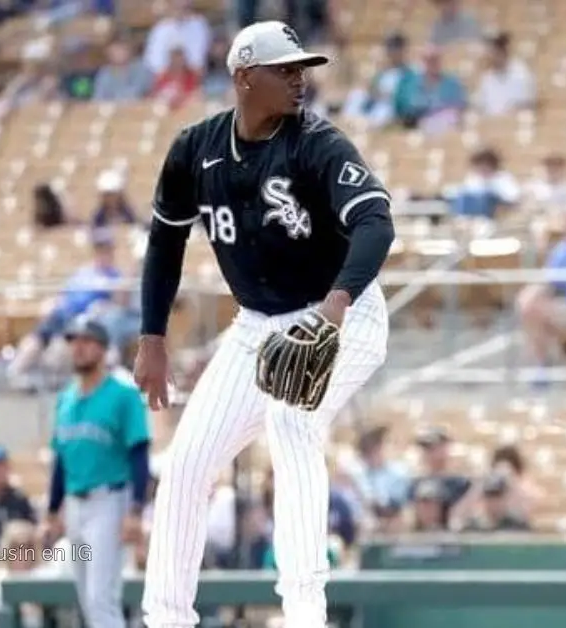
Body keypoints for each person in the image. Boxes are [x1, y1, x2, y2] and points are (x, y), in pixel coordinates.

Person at [135, 20, 394, 628]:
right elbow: (164, 244)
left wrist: (334, 308)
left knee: (291, 416)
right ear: (246, 77)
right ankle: (166, 618)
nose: (300, 78)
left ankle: (305, 613)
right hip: (257, 325)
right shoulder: (194, 150)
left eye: (303, 67)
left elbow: (376, 222)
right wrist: (153, 337)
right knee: (186, 464)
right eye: (287, 69)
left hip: (345, 313)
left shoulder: (316, 143)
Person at [45, 320, 150, 628]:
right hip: (75, 506)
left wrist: (136, 510)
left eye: (87, 340)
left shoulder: (122, 394)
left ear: (103, 348)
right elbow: (60, 460)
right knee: (88, 601)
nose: (78, 346)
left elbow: (139, 453)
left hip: (109, 501)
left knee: (100, 599)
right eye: (74, 340)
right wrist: (52, 511)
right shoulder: (65, 399)